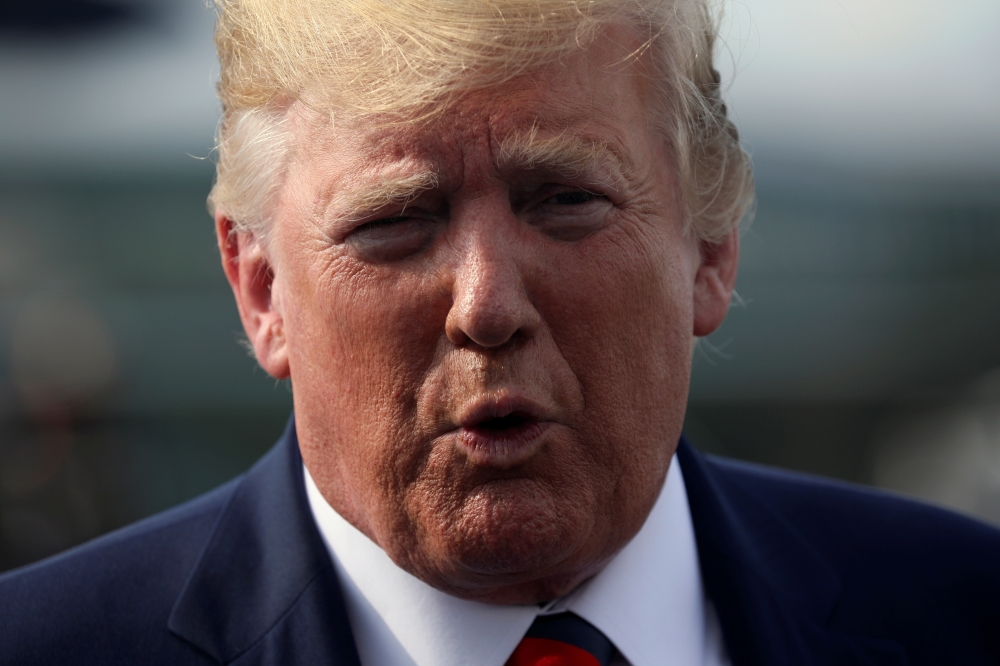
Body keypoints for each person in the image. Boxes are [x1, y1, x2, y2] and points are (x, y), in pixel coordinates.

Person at [1, 0, 998, 664]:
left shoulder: (959, 613)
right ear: (259, 288)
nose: (484, 303)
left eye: (563, 199)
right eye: (396, 223)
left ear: (710, 248)